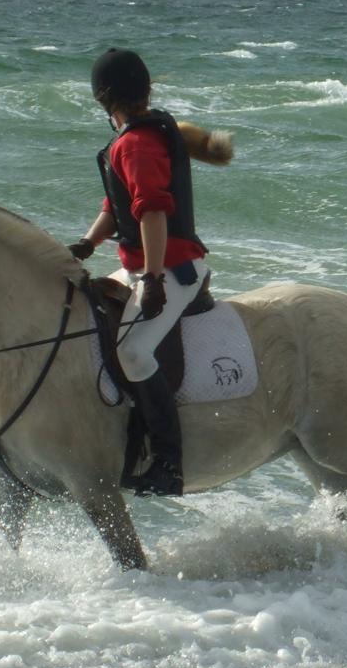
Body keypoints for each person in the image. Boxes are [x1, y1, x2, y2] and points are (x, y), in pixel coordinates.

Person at [69, 47, 230, 497]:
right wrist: (87, 243)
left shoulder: (135, 143)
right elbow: (115, 207)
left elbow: (153, 213)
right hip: (146, 266)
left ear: (103, 99)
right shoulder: (133, 140)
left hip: (173, 269)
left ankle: (167, 461)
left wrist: (155, 279)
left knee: (135, 352)